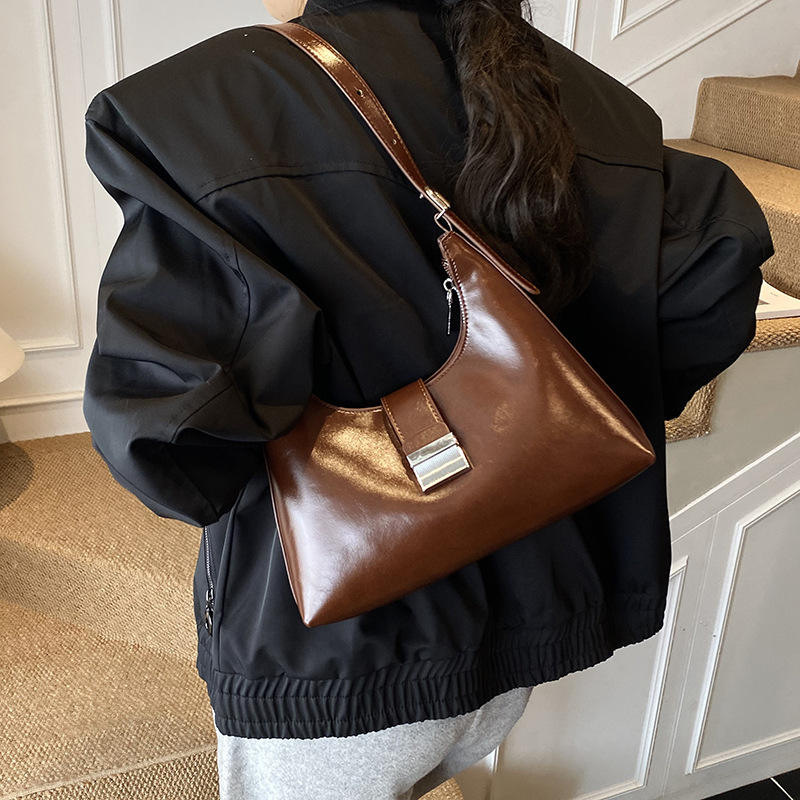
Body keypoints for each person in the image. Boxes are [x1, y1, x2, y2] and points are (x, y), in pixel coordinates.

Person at [81, 0, 774, 796]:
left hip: (342, 650)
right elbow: (713, 283)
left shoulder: (203, 104)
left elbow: (168, 435)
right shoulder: (576, 91)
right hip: (532, 609)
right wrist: (542, 417)